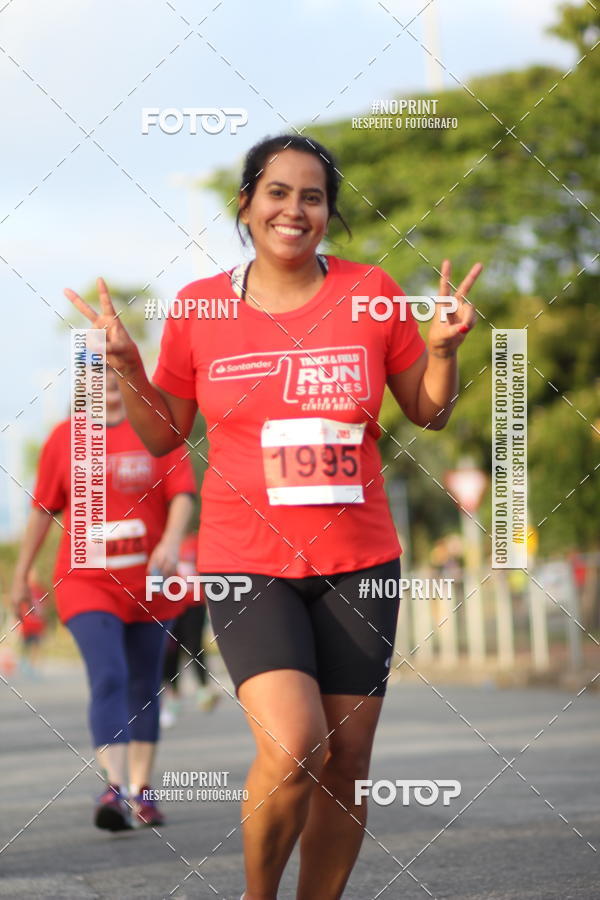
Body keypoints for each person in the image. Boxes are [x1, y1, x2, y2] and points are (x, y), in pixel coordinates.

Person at [65, 134, 481, 898]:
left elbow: (429, 412)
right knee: (295, 748)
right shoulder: (200, 307)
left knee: (348, 759)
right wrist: (127, 367)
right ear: (247, 206)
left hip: (359, 562)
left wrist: (444, 348)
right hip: (247, 557)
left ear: (328, 212)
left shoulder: (373, 292)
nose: (295, 209)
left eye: (313, 196)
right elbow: (165, 434)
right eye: (278, 193)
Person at [9, 368, 196, 832]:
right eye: (99, 385)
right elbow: (42, 509)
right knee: (109, 673)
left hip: (151, 581)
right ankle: (115, 789)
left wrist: (171, 541)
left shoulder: (156, 428)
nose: (109, 392)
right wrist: (20, 575)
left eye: (117, 383)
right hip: (86, 581)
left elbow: (182, 494)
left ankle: (142, 791)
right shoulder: (64, 440)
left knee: (143, 684)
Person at [160, 532, 220, 728]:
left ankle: (203, 688)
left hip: (194, 603)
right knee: (171, 650)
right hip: (169, 604)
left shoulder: (196, 542)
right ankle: (173, 695)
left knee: (194, 645)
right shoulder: (163, 540)